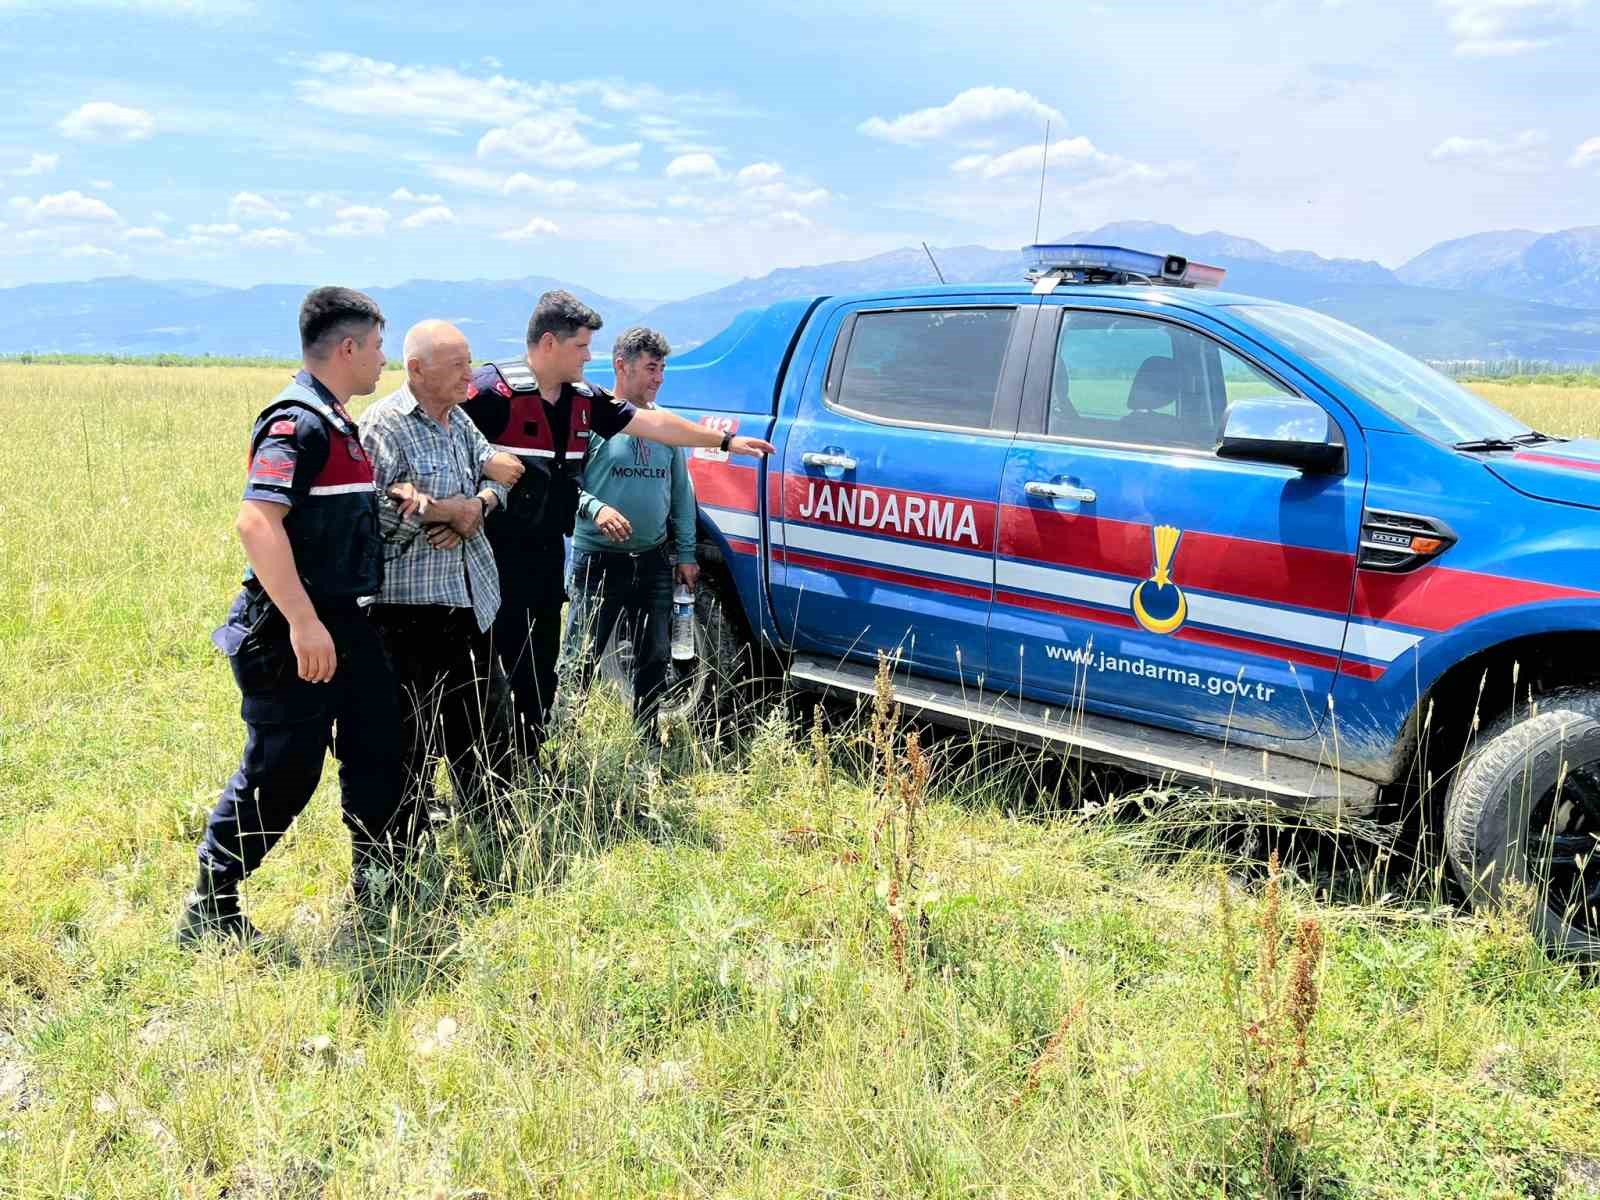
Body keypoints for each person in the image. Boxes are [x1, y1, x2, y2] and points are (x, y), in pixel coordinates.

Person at [179, 287, 403, 948]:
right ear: (348, 347)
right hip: (290, 631)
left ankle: (378, 878)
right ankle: (209, 902)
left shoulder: (338, 422)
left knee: (379, 744)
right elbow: (257, 520)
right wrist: (305, 624)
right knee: (283, 772)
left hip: (347, 623)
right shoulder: (297, 420)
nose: (383, 360)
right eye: (379, 346)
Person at [460, 290, 775, 751]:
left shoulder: (584, 400)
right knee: (484, 673)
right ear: (550, 343)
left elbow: (657, 426)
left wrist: (725, 442)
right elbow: (440, 436)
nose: (590, 357)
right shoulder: (491, 391)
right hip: (489, 557)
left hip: (546, 555)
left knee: (539, 670)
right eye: (582, 347)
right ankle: (477, 778)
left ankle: (532, 763)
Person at [358, 320, 524, 838]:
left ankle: (493, 842)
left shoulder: (459, 421)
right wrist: (447, 510)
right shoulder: (385, 425)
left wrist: (472, 506)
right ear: (416, 370)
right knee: (412, 740)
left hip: (472, 602)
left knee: (486, 733)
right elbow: (380, 512)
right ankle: (403, 857)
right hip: (409, 615)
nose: (469, 375)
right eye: (457, 366)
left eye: (469, 362)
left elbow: (506, 473)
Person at [562, 327, 696, 726]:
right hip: (599, 561)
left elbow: (682, 497)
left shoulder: (665, 427)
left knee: (654, 656)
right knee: (581, 656)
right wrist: (596, 508)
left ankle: (648, 735)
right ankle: (563, 742)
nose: (659, 378)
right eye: (651, 368)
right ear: (622, 366)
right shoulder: (593, 420)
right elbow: (566, 482)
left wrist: (686, 554)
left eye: (663, 370)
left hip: (653, 559)